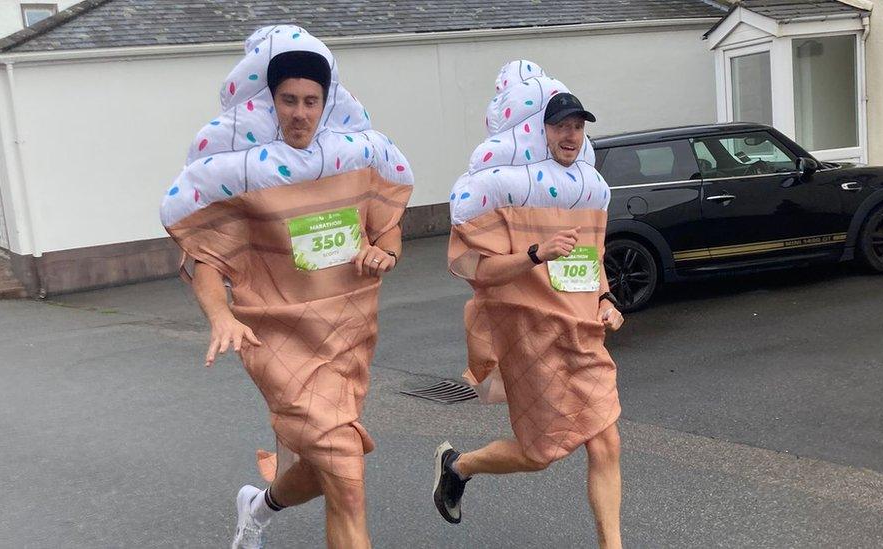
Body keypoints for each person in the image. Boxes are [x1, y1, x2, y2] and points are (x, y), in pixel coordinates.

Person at [160, 25, 413, 549]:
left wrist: (384, 252)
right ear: (270, 102)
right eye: (289, 100)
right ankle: (263, 506)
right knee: (345, 473)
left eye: (311, 101)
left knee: (329, 466)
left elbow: (388, 225)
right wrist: (221, 317)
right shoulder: (249, 177)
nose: (300, 112)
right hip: (275, 339)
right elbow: (206, 258)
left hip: (348, 335)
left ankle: (259, 505)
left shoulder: (353, 162)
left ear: (326, 103)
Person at [431, 60, 625, 549]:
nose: (571, 135)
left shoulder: (585, 190)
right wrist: (535, 254)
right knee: (540, 454)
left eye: (578, 127)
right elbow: (477, 269)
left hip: (583, 332)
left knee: (606, 441)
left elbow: (592, 260)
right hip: (532, 337)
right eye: (562, 126)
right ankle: (459, 466)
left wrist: (604, 298)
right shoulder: (506, 193)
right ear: (540, 132)